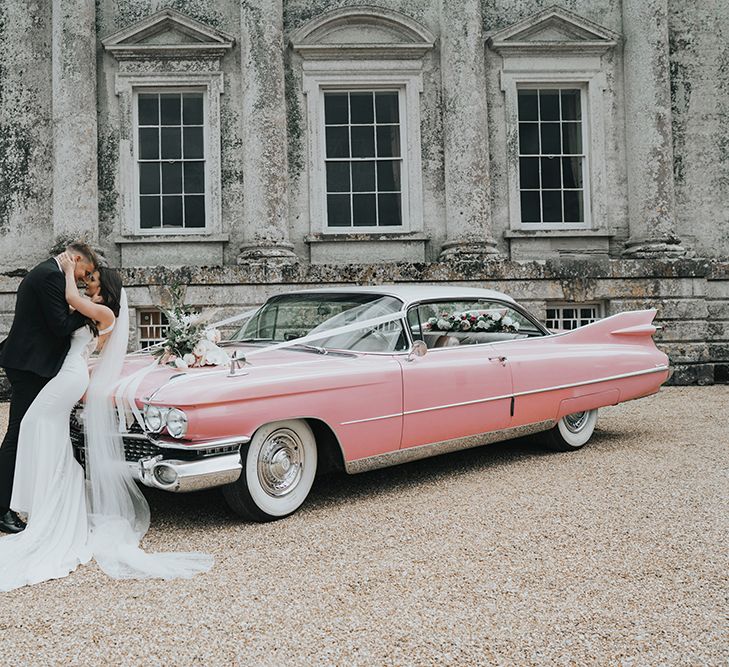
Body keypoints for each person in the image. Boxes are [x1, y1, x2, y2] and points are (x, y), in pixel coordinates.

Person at [0, 254, 213, 591]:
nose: (89, 283)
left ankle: (51, 502)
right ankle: (47, 500)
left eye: (95, 281)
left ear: (107, 288)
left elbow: (70, 300)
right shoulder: (91, 307)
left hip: (70, 377)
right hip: (67, 375)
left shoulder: (105, 313)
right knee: (40, 430)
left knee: (34, 426)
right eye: (89, 279)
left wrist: (68, 270)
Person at [0, 242, 97, 534]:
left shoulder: (47, 272)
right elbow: (59, 325)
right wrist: (91, 310)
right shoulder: (51, 276)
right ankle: (3, 508)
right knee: (18, 433)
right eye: (86, 271)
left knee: (29, 430)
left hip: (33, 363)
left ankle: (27, 498)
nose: (84, 279)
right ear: (76, 259)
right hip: (30, 366)